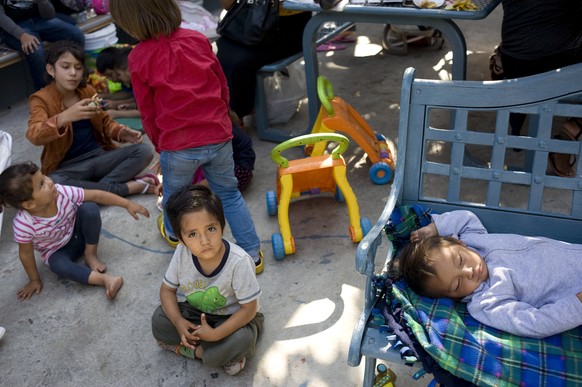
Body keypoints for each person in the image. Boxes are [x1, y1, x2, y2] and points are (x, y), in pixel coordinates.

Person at [109, 0, 263, 274]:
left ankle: (172, 232)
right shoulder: (197, 39)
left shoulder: (138, 57)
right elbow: (221, 86)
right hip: (218, 136)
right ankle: (252, 254)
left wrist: (160, 145)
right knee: (228, 195)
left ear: (128, 23)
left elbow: (148, 111)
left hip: (177, 146)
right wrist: (223, 121)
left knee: (174, 198)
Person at [394, 209, 582, 339]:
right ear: (453, 297)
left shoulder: (475, 239)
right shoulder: (486, 301)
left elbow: (467, 218)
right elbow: (535, 323)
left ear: (459, 243)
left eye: (460, 260)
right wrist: (577, 304)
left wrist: (435, 228)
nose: (469, 272)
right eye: (457, 285)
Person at [151, 185, 263, 375]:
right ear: (181, 239)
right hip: (197, 313)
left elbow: (249, 310)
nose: (204, 240)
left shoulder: (239, 262)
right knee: (159, 319)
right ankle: (211, 351)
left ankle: (200, 351)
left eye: (210, 228)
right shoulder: (182, 253)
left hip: (235, 319)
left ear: (222, 226)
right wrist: (178, 321)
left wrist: (216, 334)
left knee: (242, 340)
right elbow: (167, 290)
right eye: (192, 234)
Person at [27, 40, 160, 197]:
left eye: (78, 68)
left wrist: (120, 132)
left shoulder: (87, 91)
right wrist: (65, 117)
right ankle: (129, 188)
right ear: (51, 69)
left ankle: (96, 189)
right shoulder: (41, 99)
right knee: (55, 181)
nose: (73, 73)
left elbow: (104, 121)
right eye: (65, 67)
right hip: (70, 167)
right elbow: (34, 135)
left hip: (100, 156)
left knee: (143, 151)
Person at [0, 161, 151, 300]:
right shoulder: (23, 224)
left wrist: (126, 204)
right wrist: (34, 279)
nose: (50, 182)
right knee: (58, 266)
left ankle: (90, 254)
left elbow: (96, 194)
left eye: (44, 177)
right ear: (29, 204)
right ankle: (106, 280)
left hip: (78, 234)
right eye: (41, 184)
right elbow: (25, 254)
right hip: (57, 251)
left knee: (89, 208)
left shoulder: (61, 192)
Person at [498, 0, 582, 175]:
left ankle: (573, 131)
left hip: (514, 62)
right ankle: (576, 126)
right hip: (557, 66)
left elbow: (477, 3)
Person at [215, 0, 311, 125]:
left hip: (287, 28)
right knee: (219, 56)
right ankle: (231, 115)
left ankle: (236, 117)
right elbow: (228, 5)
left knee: (238, 63)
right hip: (250, 21)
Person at [0, 0, 85, 90]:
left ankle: (74, 79)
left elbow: (49, 15)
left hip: (40, 20)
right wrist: (21, 35)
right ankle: (45, 94)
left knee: (76, 35)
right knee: (35, 50)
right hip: (16, 26)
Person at [95, 46, 141, 121]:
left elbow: (144, 111)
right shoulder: (129, 80)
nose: (109, 79)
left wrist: (116, 110)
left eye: (110, 75)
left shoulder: (140, 84)